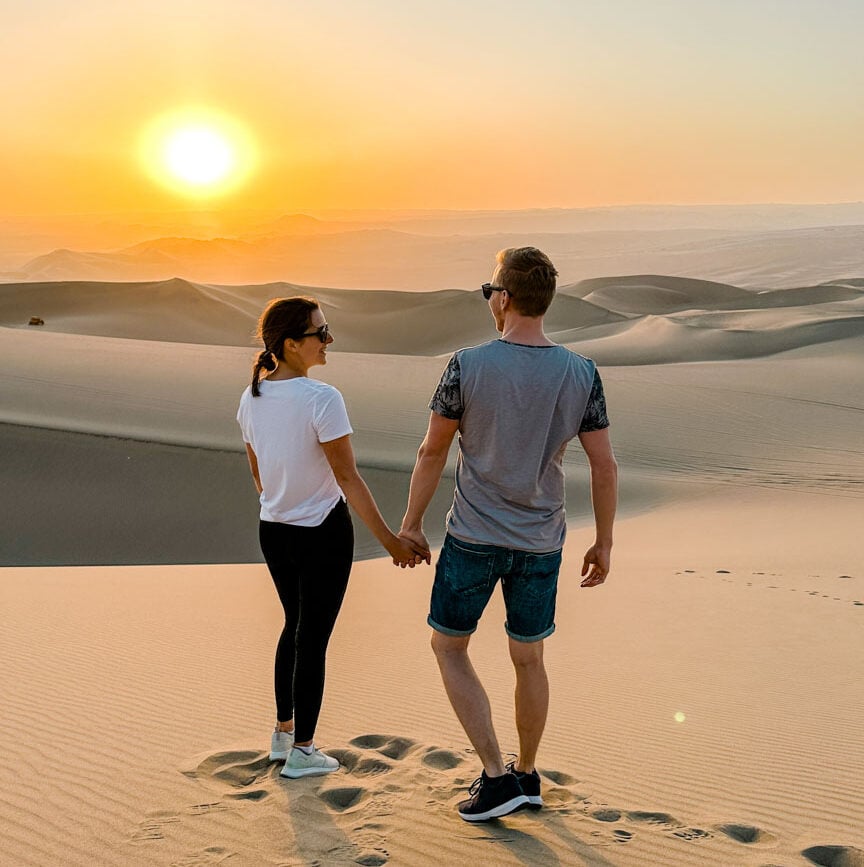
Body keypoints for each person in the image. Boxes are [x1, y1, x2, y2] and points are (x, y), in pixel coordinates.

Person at [399, 247, 618, 821]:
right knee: (530, 659)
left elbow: (432, 450)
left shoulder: (465, 365)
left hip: (473, 535)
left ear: (504, 298)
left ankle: (496, 776)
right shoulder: (581, 372)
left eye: (489, 291)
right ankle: (527, 772)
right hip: (542, 542)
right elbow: (604, 465)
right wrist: (605, 541)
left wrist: (410, 523)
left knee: (448, 646)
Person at [237, 296, 428, 780]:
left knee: (293, 626)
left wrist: (283, 498)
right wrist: (390, 542)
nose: (329, 340)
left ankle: (283, 736)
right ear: (292, 344)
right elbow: (348, 478)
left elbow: (258, 471)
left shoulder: (251, 395)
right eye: (320, 333)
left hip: (273, 530)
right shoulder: (323, 399)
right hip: (322, 532)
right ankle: (303, 750)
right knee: (313, 638)